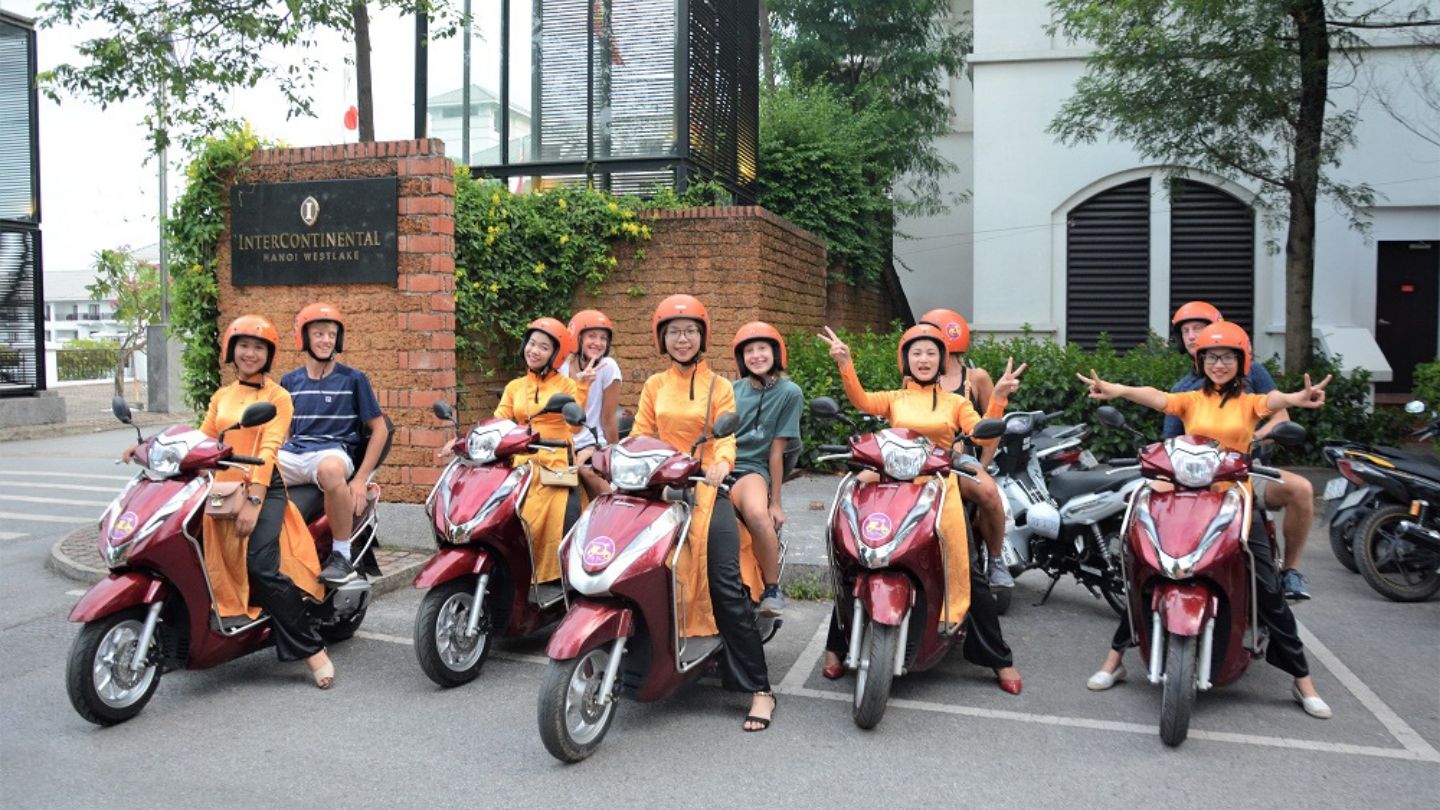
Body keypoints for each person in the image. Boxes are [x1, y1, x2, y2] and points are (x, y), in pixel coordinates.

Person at [1077, 321, 1334, 719]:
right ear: (1200, 361)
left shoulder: (1250, 401)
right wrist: (1118, 390)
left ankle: (1302, 681)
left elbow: (1276, 400)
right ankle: (1116, 659)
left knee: (1267, 587)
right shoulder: (1191, 399)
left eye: (1227, 357)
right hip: (1188, 502)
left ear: (1240, 362)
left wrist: (1301, 396)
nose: (1219, 364)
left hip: (1236, 502)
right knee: (1147, 570)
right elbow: (1158, 399)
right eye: (1212, 357)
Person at [124, 315, 334, 688]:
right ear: (231, 350)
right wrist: (148, 447)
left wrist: (254, 498)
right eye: (244, 345)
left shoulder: (277, 397)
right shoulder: (222, 395)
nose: (250, 353)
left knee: (260, 565)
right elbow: (202, 439)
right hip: (220, 488)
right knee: (187, 550)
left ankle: (312, 650)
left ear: (268, 355)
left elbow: (269, 449)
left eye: (258, 347)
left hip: (263, 488)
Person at [816, 324, 1026, 693]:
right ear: (905, 360)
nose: (924, 359)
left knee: (966, 569)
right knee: (862, 557)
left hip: (938, 489)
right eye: (917, 353)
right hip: (893, 487)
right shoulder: (895, 398)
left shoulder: (955, 402)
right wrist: (845, 364)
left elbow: (979, 434)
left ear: (942, 359)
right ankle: (836, 644)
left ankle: (998, 657)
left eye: (931, 353)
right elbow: (861, 401)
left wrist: (999, 400)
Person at [632, 294, 775, 731]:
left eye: (690, 331)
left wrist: (721, 465)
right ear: (662, 338)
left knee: (724, 583)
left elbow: (726, 436)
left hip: (705, 491)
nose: (682, 339)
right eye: (674, 332)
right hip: (660, 488)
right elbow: (640, 433)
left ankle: (760, 689)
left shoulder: (719, 386)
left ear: (702, 337)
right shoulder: (655, 385)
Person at [1165, 301, 1315, 600]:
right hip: (1200, 481)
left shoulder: (1252, 373)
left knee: (1301, 490)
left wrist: (1251, 440)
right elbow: (1171, 441)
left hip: (1249, 472)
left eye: (1199, 328)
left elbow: (1281, 417)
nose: (1193, 336)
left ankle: (1291, 572)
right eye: (1186, 331)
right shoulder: (1182, 388)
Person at [276, 303, 387, 587]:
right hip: (294, 453)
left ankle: (341, 556)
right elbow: (285, 432)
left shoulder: (353, 379)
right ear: (303, 338)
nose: (327, 340)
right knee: (253, 472)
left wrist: (360, 479)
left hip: (333, 453)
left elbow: (380, 429)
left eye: (331, 334)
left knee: (329, 469)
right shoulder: (289, 381)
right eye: (319, 334)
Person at [492, 317, 596, 584]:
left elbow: (575, 427)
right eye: (532, 344)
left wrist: (582, 387)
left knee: (553, 505)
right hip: (520, 458)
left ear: (556, 354)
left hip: (555, 459)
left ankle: (552, 575)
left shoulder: (566, 386)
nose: (534, 351)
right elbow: (500, 420)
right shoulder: (515, 387)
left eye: (543, 347)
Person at [919, 308, 1013, 590]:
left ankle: (996, 559)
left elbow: (991, 423)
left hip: (960, 460)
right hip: (923, 458)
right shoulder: (916, 375)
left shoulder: (976, 377)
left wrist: (983, 464)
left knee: (989, 494)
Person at [729, 321, 804, 618]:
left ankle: (772, 588)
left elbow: (777, 452)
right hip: (721, 464)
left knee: (759, 516)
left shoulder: (790, 393)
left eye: (762, 349)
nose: (756, 355)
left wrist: (775, 502)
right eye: (749, 350)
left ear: (776, 353)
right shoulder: (731, 389)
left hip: (752, 468)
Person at [560, 309, 622, 501]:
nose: (598, 342)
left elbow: (608, 419)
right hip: (562, 444)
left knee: (587, 472)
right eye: (592, 336)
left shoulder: (607, 367)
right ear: (577, 338)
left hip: (593, 443)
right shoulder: (560, 367)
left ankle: (615, 512)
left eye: (603, 338)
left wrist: (613, 455)